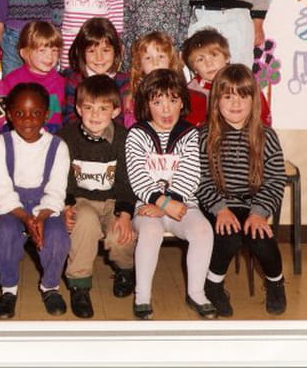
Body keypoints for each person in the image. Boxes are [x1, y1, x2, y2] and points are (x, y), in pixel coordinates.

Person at [196, 64, 287, 317]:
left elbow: (275, 179)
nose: (236, 103)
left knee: (261, 239)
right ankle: (213, 285)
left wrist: (259, 213)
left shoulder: (266, 136)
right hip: (220, 202)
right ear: (216, 101)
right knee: (228, 235)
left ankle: (276, 283)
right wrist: (220, 210)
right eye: (228, 96)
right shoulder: (205, 136)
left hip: (254, 203)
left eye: (243, 96)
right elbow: (201, 179)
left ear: (253, 100)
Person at [125, 69, 216, 320]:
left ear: (182, 103)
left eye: (173, 101)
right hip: (147, 206)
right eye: (157, 102)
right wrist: (162, 202)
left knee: (203, 231)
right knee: (150, 232)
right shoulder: (137, 134)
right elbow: (137, 178)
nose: (166, 109)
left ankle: (196, 292)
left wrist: (168, 203)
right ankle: (142, 296)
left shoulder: (190, 134)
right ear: (146, 105)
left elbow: (191, 175)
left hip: (183, 204)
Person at [0, 83, 71, 319]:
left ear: (46, 114)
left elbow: (56, 190)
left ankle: (50, 286)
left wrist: (41, 217)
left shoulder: (58, 147)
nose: (27, 120)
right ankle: (9, 289)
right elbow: (2, 190)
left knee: (57, 237)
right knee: (6, 234)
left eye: (35, 113)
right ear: (9, 114)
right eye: (20, 113)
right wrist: (26, 218)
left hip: (46, 206)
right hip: (12, 207)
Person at [58, 75, 137, 318]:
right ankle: (79, 285)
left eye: (103, 108)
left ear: (116, 111)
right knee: (84, 223)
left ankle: (125, 270)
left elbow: (127, 181)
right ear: (78, 108)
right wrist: (66, 207)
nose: (95, 115)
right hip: (81, 200)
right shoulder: (66, 137)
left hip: (113, 201)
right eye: (89, 107)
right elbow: (60, 177)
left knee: (120, 235)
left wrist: (125, 215)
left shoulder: (124, 138)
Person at [181, 28, 271, 127]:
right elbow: (189, 126)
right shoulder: (193, 91)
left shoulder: (243, 80)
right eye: (200, 59)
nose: (209, 63)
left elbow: (263, 117)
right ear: (194, 68)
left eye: (214, 55)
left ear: (227, 57)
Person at [62, 17, 132, 127]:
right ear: (81, 53)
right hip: (81, 134)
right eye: (91, 51)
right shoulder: (75, 80)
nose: (99, 58)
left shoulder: (124, 81)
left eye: (105, 50)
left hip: (113, 134)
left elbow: (123, 118)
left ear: (116, 51)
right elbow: (70, 119)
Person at [2, 21, 65, 134]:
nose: (50, 56)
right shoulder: (12, 81)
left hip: (54, 135)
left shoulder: (62, 82)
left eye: (54, 50)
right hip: (22, 132)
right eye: (42, 50)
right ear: (24, 53)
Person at [128, 31, 185, 97]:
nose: (155, 63)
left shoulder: (178, 87)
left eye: (161, 57)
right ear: (140, 64)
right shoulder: (138, 91)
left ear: (170, 61)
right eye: (148, 58)